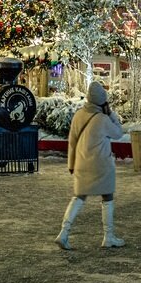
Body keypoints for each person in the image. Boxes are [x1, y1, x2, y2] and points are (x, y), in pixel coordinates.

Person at [56, 82, 125, 250]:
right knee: (107, 198)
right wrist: (112, 115)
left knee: (79, 197)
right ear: (102, 101)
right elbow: (118, 133)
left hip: (81, 163)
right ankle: (108, 236)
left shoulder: (79, 115)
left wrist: (71, 164)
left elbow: (72, 142)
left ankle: (64, 233)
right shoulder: (103, 119)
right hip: (101, 165)